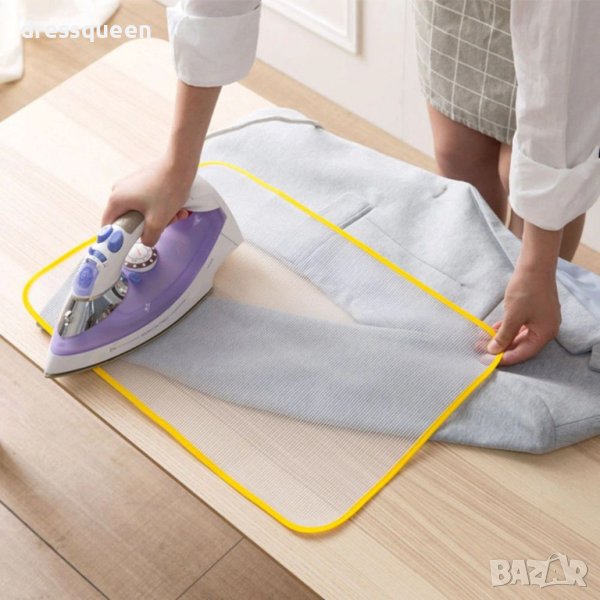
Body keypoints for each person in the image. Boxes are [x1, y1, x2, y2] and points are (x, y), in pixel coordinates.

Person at [102, 0, 600, 366]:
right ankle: (484, 298)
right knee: (459, 153)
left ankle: (532, 296)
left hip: (572, 22)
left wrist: (537, 266)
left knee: (524, 177)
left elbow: (562, 89)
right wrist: (179, 164)